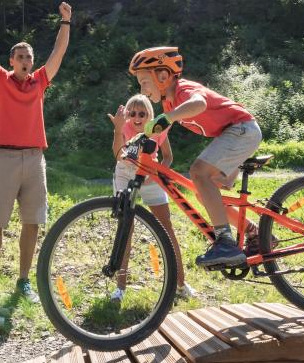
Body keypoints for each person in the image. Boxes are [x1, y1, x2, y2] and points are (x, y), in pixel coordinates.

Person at [0, 0, 72, 304]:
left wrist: (66, 21)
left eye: (29, 56)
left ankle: (23, 281)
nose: (26, 61)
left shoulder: (40, 81)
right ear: (11, 61)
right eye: (20, 56)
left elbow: (58, 52)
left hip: (34, 158)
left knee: (32, 222)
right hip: (4, 156)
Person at [128, 47, 262, 268]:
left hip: (241, 129)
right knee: (203, 194)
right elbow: (160, 131)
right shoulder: (169, 103)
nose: (141, 89)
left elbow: (199, 104)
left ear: (163, 76)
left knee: (198, 172)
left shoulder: (182, 89)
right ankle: (254, 232)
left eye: (144, 82)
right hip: (235, 134)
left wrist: (167, 117)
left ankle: (225, 243)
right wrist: (141, 139)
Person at [108, 94, 195, 303]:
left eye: (143, 113)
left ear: (150, 115)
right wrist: (117, 129)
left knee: (166, 228)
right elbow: (118, 154)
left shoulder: (159, 129)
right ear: (127, 114)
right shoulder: (125, 127)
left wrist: (157, 175)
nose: (137, 118)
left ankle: (181, 283)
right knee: (125, 229)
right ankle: (120, 288)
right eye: (133, 113)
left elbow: (168, 156)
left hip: (150, 174)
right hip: (125, 174)